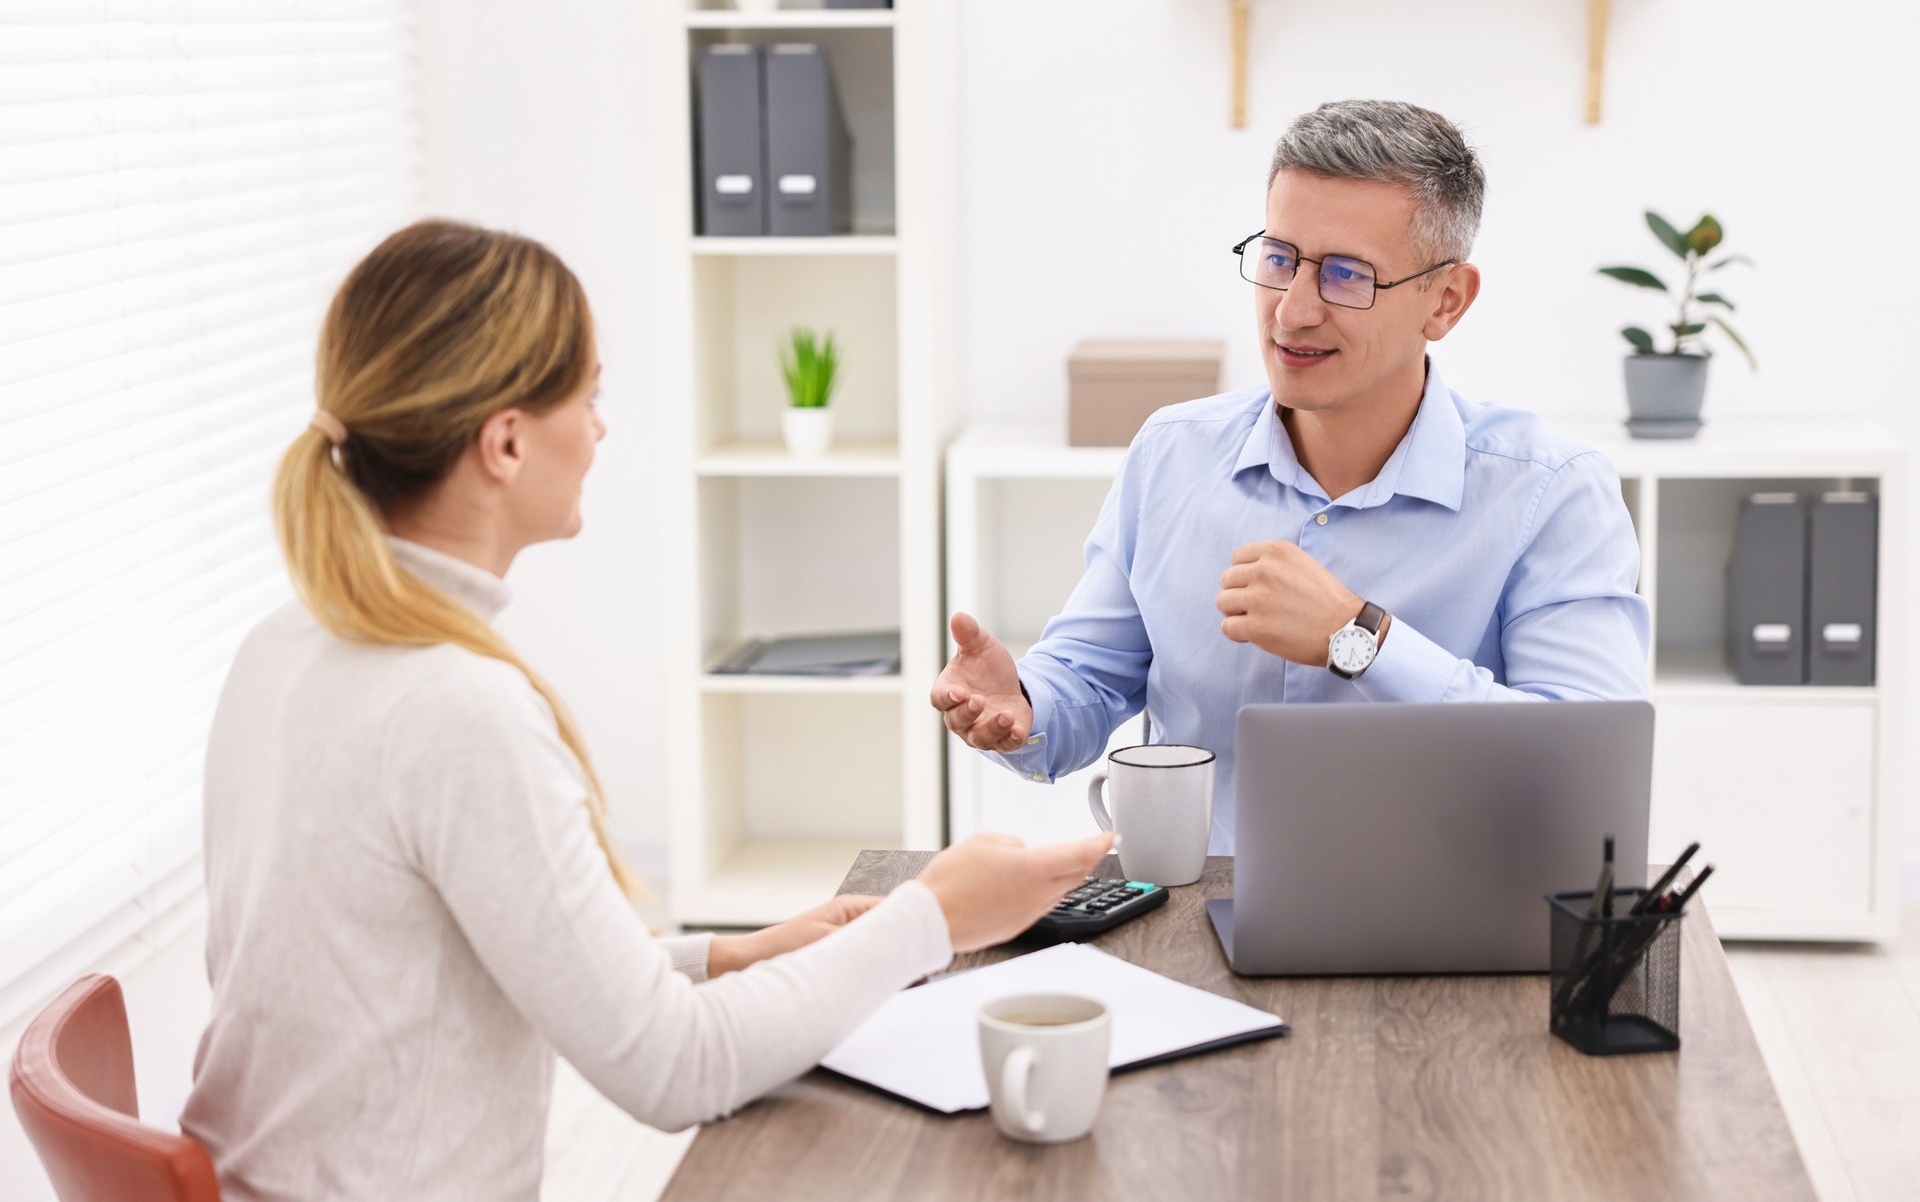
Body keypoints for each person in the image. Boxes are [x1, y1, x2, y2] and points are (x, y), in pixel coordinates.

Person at [180, 220, 1111, 1202]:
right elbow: (677, 1070)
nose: (599, 428)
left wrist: (726, 955)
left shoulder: (282, 647)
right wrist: (936, 912)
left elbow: (472, 945)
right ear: (503, 442)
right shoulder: (455, 709)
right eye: (587, 396)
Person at [932, 99, 1650, 852]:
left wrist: (1360, 639)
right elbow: (1089, 680)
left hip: (1443, 929)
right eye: (1279, 260)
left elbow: (1584, 771)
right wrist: (1019, 702)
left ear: (1445, 301)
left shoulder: (1551, 493)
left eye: (1347, 275)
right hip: (1188, 914)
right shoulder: (1172, 455)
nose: (1292, 312)